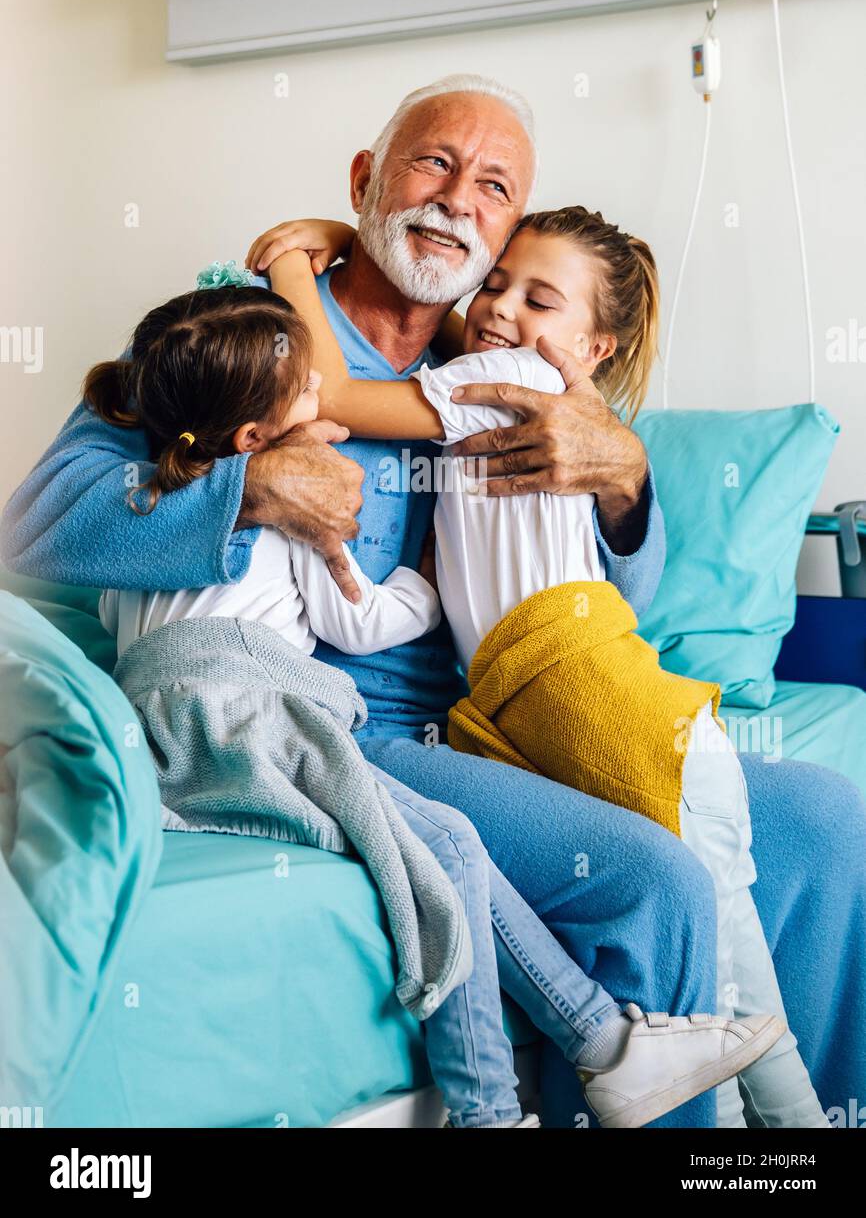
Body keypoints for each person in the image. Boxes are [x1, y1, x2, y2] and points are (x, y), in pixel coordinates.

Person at [3, 75, 864, 1127]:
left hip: (504, 714)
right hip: (350, 726)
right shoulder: (238, 342)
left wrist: (624, 478)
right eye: (433, 163)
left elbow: (614, 596)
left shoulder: (498, 364)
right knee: (651, 881)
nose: (458, 198)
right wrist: (250, 487)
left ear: (507, 233)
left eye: (493, 186)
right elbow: (36, 524)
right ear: (366, 181)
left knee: (824, 822)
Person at [86, 280, 779, 1130]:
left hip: (153, 733)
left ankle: (603, 1054)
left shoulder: (161, 507)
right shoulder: (295, 490)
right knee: (450, 843)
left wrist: (625, 472)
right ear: (256, 437)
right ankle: (508, 1101)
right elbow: (360, 618)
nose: (323, 391)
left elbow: (119, 622)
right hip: (265, 712)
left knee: (457, 841)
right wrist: (426, 574)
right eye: (307, 384)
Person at [261, 206, 827, 1128]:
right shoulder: (514, 369)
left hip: (577, 673)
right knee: (733, 980)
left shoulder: (506, 375)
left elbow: (328, 388)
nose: (496, 307)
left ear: (595, 345)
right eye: (494, 284)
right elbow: (461, 337)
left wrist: (293, 260)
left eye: (537, 296)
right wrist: (362, 245)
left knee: (746, 976)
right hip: (558, 674)